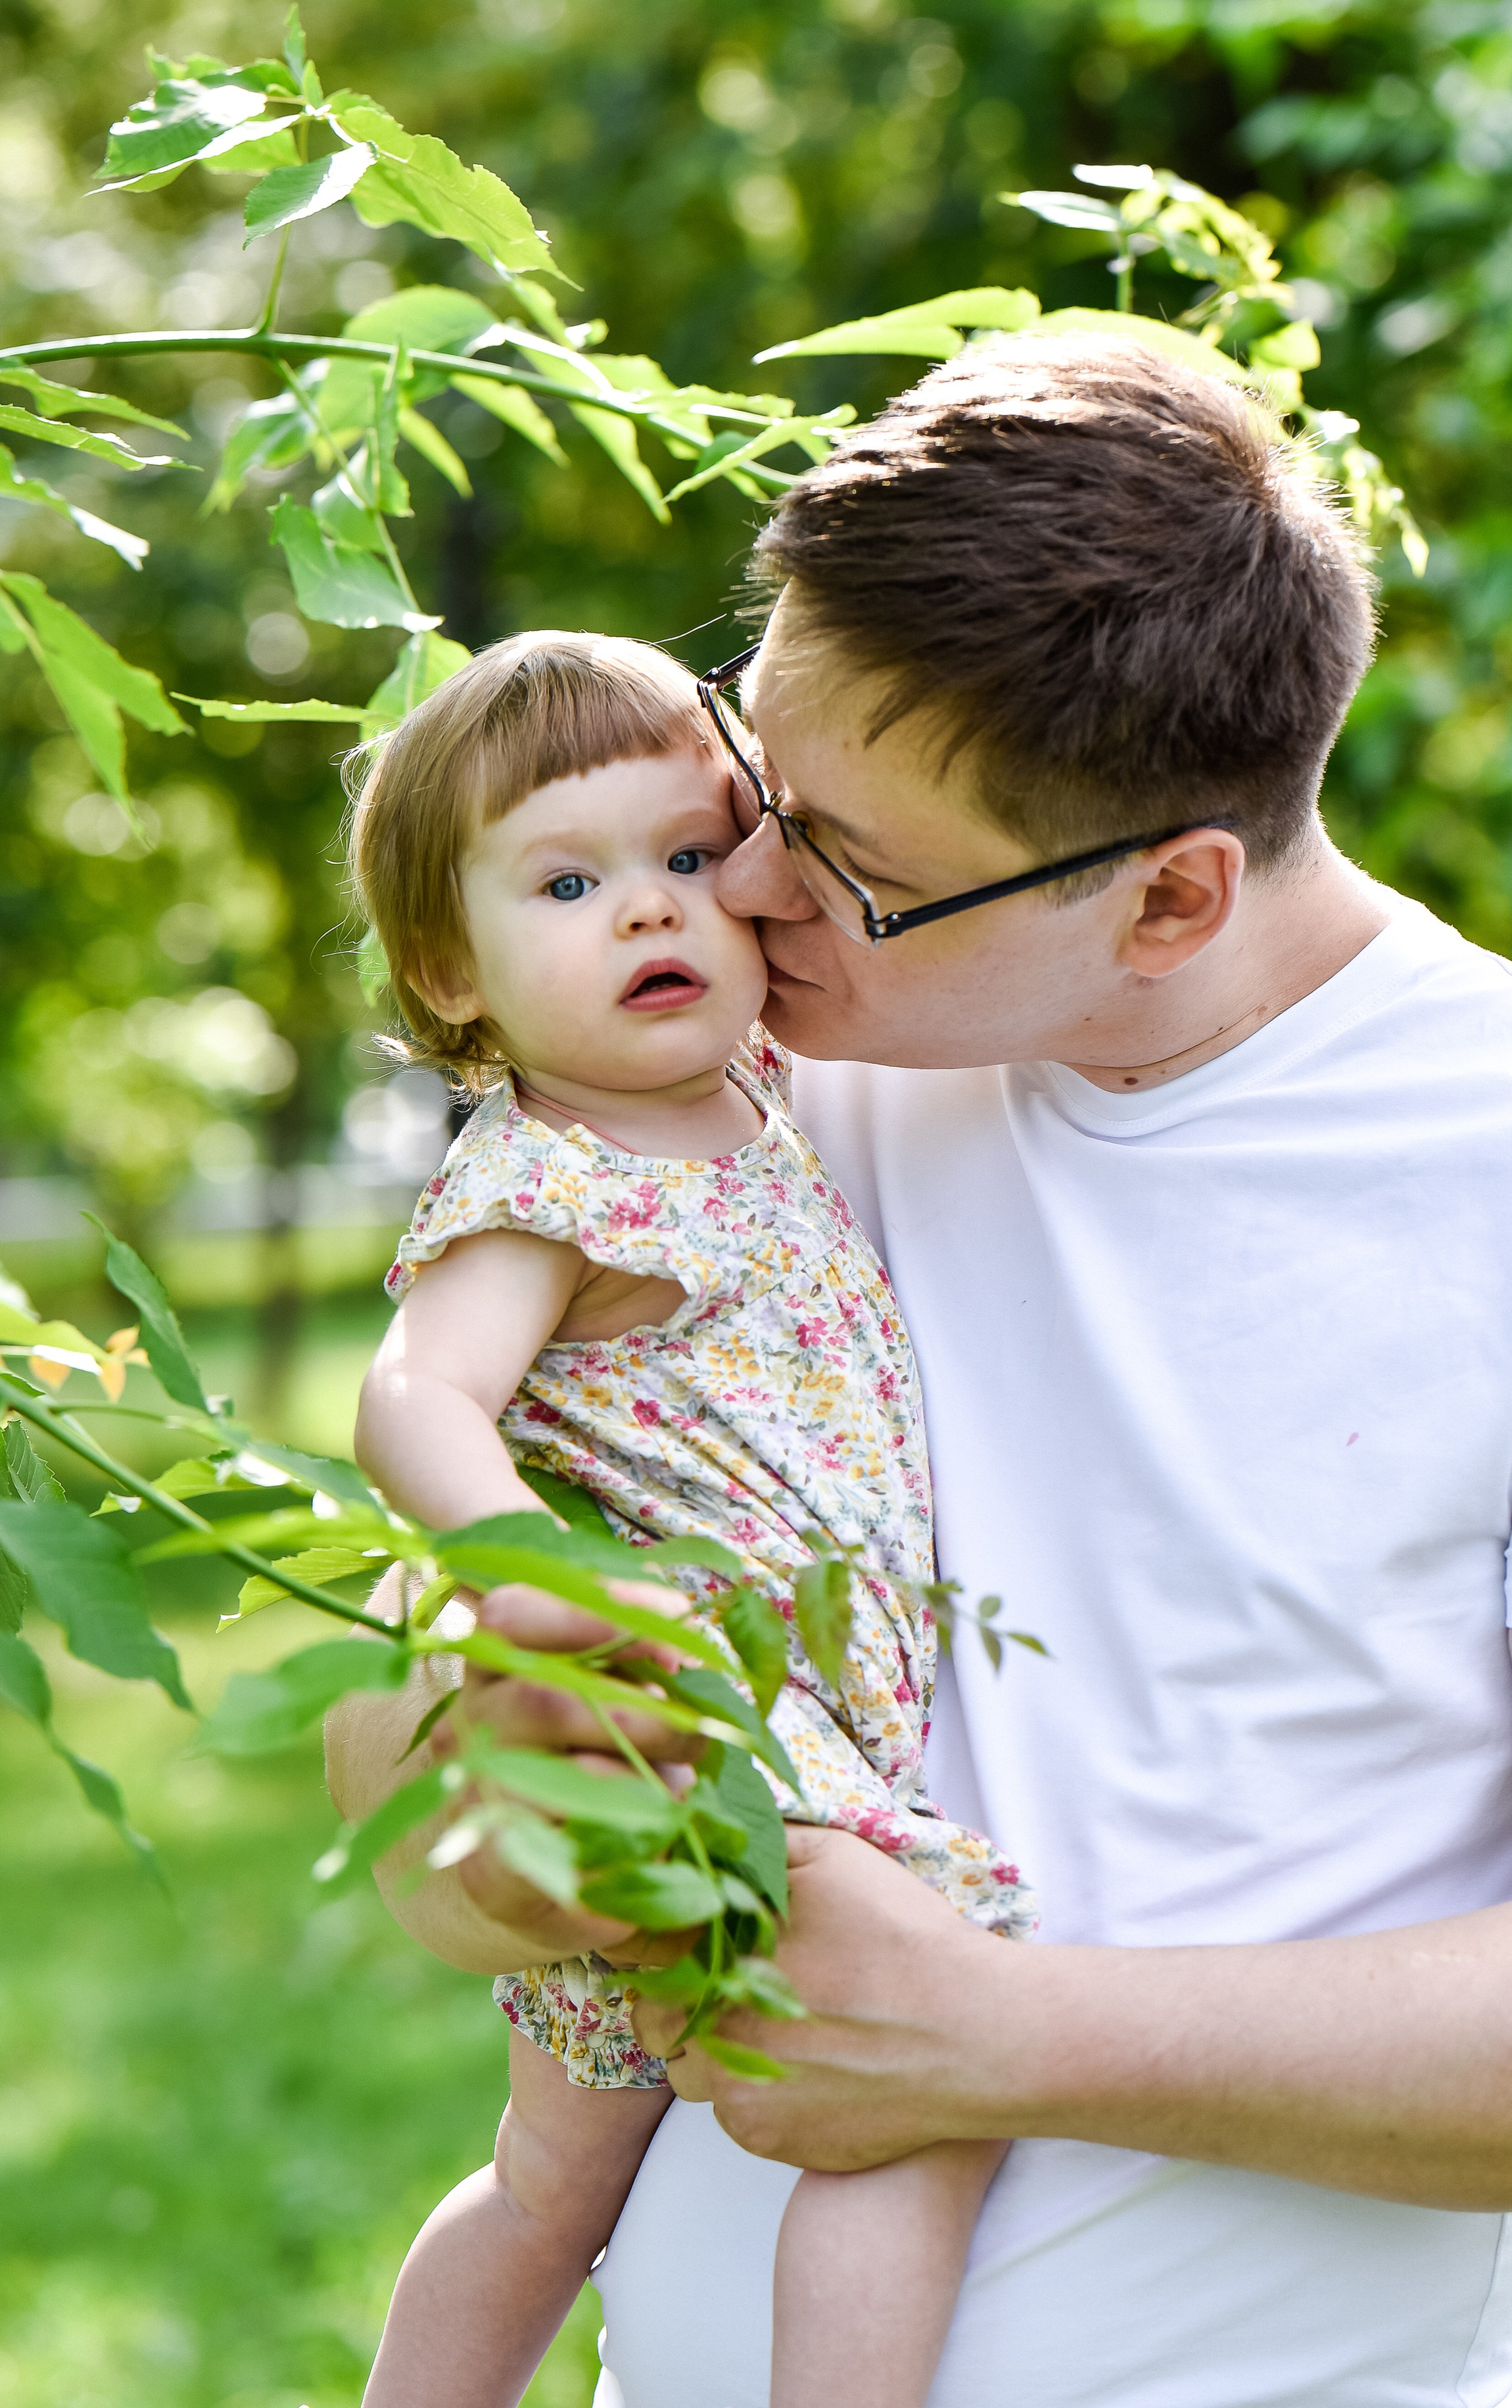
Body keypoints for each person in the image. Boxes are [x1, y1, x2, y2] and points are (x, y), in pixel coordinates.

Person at [329, 334, 1512, 2408]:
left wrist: (1003, 2039)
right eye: (751, 792)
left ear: (1171, 895)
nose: (743, 899)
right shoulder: (749, 1108)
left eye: (842, 862)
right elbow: (413, 1780)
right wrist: (486, 1792)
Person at [342, 629, 1035, 2408]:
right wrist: (531, 1577)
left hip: (764, 1719)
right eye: (568, 882)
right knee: (925, 2087)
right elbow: (414, 1392)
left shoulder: (762, 1102)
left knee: (552, 2180)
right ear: (452, 967)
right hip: (704, 1720)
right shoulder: (542, 1181)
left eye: (688, 856)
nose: (650, 914)